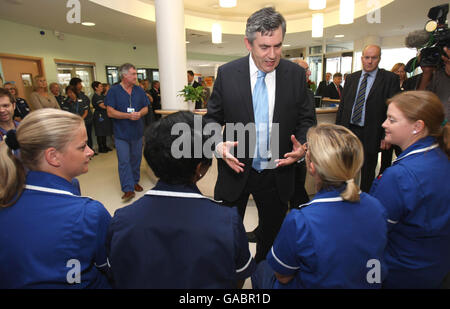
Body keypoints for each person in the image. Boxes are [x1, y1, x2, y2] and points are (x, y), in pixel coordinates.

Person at [204, 7, 316, 262]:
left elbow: (307, 120)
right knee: (227, 241)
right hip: (235, 170)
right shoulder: (228, 73)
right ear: (248, 43)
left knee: (272, 241)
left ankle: (263, 279)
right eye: (264, 46)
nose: (273, 55)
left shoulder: (296, 75)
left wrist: (304, 147)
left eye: (278, 46)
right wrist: (218, 145)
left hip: (278, 173)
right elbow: (211, 119)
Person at [106, 111, 256, 288]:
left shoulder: (122, 219)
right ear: (200, 168)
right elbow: (238, 278)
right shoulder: (227, 221)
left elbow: (115, 274)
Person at [252, 124, 388, 289]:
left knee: (260, 268)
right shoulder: (376, 206)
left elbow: (283, 276)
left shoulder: (300, 220)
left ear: (312, 166)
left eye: (307, 148)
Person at [0, 108, 111, 288]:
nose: (90, 152)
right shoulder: (89, 213)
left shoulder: (7, 197)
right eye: (82, 146)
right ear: (53, 156)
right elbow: (112, 267)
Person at [370, 91, 450, 289]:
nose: (384, 124)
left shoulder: (400, 176)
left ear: (417, 127)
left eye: (392, 120)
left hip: (399, 272)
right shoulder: (440, 157)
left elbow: (373, 230)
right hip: (434, 267)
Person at [336, 45, 400, 192]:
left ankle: (364, 203)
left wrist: (387, 134)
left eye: (374, 58)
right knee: (345, 168)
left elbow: (394, 110)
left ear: (379, 59)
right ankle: (344, 199)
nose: (370, 61)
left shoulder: (389, 79)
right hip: (349, 131)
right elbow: (343, 107)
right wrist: (337, 130)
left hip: (372, 132)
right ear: (362, 58)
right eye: (367, 57)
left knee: (367, 171)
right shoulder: (352, 78)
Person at [105, 63, 150, 201]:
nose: (136, 76)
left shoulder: (139, 90)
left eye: (136, 74)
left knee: (136, 159)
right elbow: (110, 112)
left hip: (137, 132)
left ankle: (135, 181)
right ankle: (128, 189)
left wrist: (139, 114)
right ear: (124, 75)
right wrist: (128, 116)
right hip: (121, 134)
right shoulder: (114, 91)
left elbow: (146, 108)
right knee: (124, 161)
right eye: (133, 74)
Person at [379, 63, 408, 174]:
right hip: (390, 125)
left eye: (402, 71)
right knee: (386, 157)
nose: (400, 73)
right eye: (397, 71)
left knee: (402, 154)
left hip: (403, 126)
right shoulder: (388, 85)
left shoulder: (409, 84)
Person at [69, 78, 95, 153]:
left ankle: (90, 150)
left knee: (88, 136)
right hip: (77, 121)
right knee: (80, 138)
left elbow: (87, 107)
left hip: (87, 120)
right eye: (79, 84)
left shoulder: (83, 95)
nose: (81, 85)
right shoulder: (71, 97)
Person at [91, 81, 113, 153]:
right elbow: (102, 106)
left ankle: (105, 145)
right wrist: (110, 107)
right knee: (100, 131)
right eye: (100, 86)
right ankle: (101, 147)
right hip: (99, 115)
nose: (102, 87)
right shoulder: (96, 96)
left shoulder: (102, 96)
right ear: (96, 88)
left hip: (104, 115)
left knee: (104, 130)